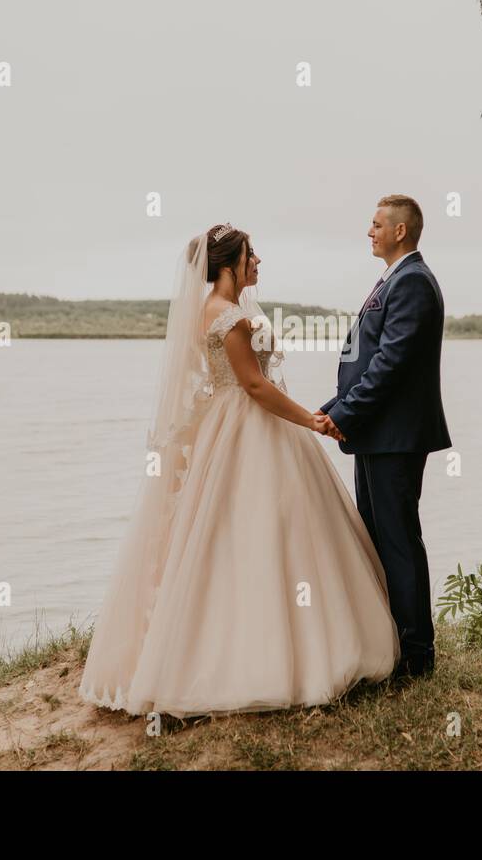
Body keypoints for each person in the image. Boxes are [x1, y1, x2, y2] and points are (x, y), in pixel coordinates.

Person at [79, 223, 399, 718]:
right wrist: (310, 420)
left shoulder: (221, 309)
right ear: (229, 264)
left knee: (253, 527)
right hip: (248, 423)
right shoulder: (225, 316)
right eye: (251, 254)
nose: (258, 262)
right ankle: (257, 659)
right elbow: (253, 385)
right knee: (260, 525)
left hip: (237, 422)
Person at [316, 195, 451, 678]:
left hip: (395, 436)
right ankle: (390, 641)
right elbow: (372, 360)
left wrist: (346, 413)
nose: (369, 232)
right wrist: (334, 408)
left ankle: (416, 656)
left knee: (398, 540)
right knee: (377, 537)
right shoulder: (393, 278)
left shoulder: (413, 281)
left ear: (400, 231)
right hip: (376, 432)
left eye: (376, 225)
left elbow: (391, 363)